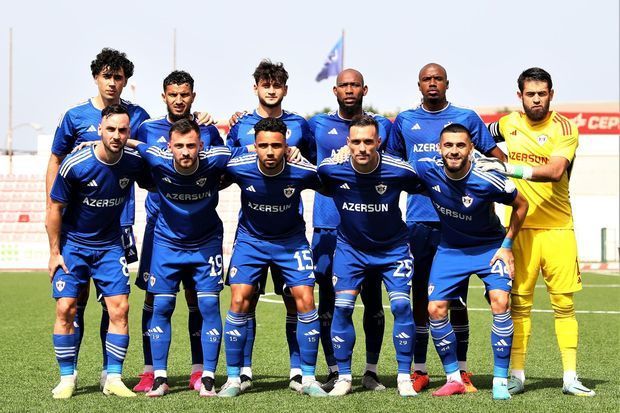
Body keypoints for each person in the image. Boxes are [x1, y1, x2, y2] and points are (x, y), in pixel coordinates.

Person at [385, 62, 506, 393]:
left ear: (447, 83)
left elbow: (498, 160)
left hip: (460, 226)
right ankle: (420, 369)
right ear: (419, 85)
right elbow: (393, 165)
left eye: (438, 78)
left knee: (458, 301)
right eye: (427, 79)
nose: (432, 83)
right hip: (419, 221)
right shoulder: (405, 121)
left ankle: (461, 371)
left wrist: (481, 182)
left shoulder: (466, 118)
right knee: (422, 297)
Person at [477, 67, 595, 397]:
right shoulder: (507, 124)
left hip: (558, 229)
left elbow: (555, 171)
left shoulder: (565, 127)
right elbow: (479, 135)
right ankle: (517, 376)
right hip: (519, 229)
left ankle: (570, 377)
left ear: (551, 94)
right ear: (520, 96)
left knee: (564, 304)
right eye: (530, 94)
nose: (537, 99)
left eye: (542, 93)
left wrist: (507, 168)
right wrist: (492, 159)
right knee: (519, 305)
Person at [45, 48, 150, 385]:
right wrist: (51, 206)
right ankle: (70, 373)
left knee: (114, 302)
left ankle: (109, 373)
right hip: (78, 224)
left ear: (126, 81)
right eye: (107, 76)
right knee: (75, 300)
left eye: (118, 77)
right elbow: (55, 160)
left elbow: (158, 148)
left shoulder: (139, 116)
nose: (112, 83)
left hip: (120, 223)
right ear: (96, 77)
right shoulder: (75, 116)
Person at [126, 119, 246, 397]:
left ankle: (207, 377)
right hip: (167, 244)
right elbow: (132, 143)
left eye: (191, 145)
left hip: (206, 243)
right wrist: (95, 142)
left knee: (209, 306)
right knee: (162, 307)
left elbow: (252, 149)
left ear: (201, 146)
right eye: (179, 146)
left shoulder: (217, 156)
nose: (185, 151)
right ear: (169, 147)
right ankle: (159, 377)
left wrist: (290, 150)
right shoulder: (157, 157)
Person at [413, 123, 528, 399]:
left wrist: (507, 245)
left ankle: (500, 381)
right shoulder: (426, 168)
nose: (454, 151)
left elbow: (522, 204)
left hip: (489, 248)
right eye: (448, 145)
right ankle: (454, 378)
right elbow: (388, 169)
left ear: (471, 148)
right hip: (451, 249)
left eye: (460, 145)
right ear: (439, 148)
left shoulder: (487, 178)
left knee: (501, 302)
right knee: (435, 309)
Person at [218, 117, 325, 398]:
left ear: (286, 147)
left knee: (305, 299)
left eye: (276, 146)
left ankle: (307, 377)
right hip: (251, 242)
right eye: (263, 145)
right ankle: (233, 378)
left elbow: (332, 182)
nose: (269, 152)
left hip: (291, 242)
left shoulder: (301, 170)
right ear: (254, 146)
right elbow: (209, 169)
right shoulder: (238, 166)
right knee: (239, 300)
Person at [132, 70, 224, 393]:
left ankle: (200, 370)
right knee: (154, 299)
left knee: (200, 299)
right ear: (164, 96)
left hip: (200, 229)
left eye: (184, 94)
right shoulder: (148, 129)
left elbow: (223, 171)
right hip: (160, 227)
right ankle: (151, 371)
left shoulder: (207, 130)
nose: (179, 100)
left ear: (192, 96)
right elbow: (138, 168)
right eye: (173, 94)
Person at [317, 115, 422, 397]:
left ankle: (403, 377)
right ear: (347, 143)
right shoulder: (331, 168)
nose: (362, 148)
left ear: (378, 142)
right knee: (342, 308)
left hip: (393, 250)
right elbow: (310, 179)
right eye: (356, 142)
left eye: (368, 141)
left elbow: (431, 184)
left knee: (401, 306)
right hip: (351, 250)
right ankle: (344, 378)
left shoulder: (400, 170)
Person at [226, 60, 313, 391]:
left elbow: (312, 166)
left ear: (285, 89)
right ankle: (243, 371)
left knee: (296, 299)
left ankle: (298, 371)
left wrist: (299, 156)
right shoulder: (240, 124)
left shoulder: (300, 125)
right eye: (266, 84)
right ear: (256, 88)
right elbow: (228, 163)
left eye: (277, 85)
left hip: (290, 231)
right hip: (252, 231)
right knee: (244, 299)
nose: (272, 90)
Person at [307, 69, 389, 391]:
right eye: (344, 85)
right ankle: (334, 370)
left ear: (364, 89)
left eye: (355, 85)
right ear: (335, 90)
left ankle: (371, 371)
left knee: (372, 300)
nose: (350, 90)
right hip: (327, 226)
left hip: (368, 229)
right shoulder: (316, 125)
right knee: (329, 300)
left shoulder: (382, 126)